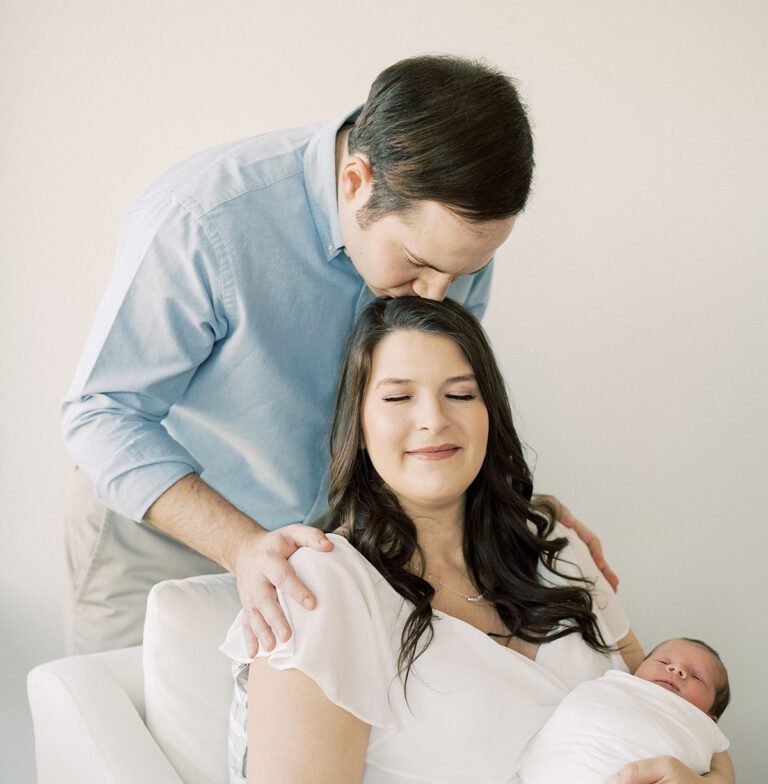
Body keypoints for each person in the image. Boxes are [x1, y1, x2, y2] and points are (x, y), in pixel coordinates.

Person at [221, 297, 766, 784]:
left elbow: (670, 701)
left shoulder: (555, 548)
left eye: (459, 394)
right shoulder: (322, 587)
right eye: (398, 396)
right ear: (358, 419)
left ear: (491, 413)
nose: (433, 420)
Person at [63, 53, 580, 656]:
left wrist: (519, 522)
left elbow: (416, 412)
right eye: (418, 263)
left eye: (466, 270)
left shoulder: (445, 250)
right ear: (356, 182)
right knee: (126, 733)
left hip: (331, 546)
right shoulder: (202, 222)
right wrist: (240, 545)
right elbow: (101, 413)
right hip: (159, 534)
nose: (441, 296)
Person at [521, 638, 732, 784]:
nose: (676, 669)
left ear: (710, 720)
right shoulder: (615, 686)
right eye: (663, 661)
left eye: (697, 677)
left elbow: (713, 758)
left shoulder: (700, 728)